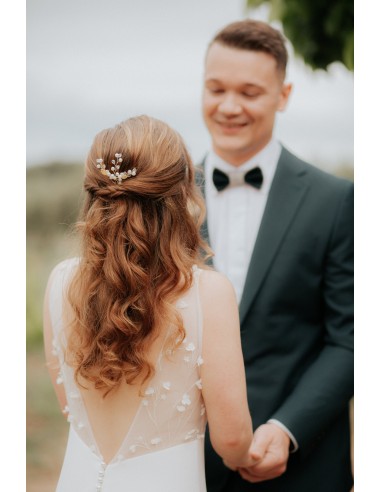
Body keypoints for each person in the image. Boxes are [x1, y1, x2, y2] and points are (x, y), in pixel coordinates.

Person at [43, 115, 257, 492]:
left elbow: (70, 407)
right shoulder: (209, 293)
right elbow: (232, 440)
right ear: (183, 195)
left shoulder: (60, 281)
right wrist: (248, 460)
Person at [200, 20, 354, 491]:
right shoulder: (161, 201)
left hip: (303, 467)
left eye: (249, 92)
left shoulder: (336, 200)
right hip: (187, 466)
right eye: (216, 88)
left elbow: (351, 340)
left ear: (283, 95)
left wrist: (287, 429)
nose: (229, 106)